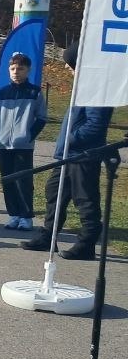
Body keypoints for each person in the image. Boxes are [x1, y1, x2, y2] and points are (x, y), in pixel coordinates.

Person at [21, 43, 112, 261]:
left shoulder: (96, 88)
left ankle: (87, 242)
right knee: (55, 192)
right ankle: (48, 236)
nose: (66, 68)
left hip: (83, 155)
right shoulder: (83, 86)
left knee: (86, 199)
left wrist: (70, 139)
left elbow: (95, 125)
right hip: (66, 155)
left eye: (69, 64)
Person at [0, 53, 46, 230]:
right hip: (3, 144)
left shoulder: (34, 92)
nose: (16, 72)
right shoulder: (3, 92)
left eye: (20, 69)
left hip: (23, 145)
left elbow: (42, 117)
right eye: (12, 69)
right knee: (8, 180)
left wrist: (29, 135)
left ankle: (26, 216)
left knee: (23, 181)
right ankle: (13, 214)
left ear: (28, 70)